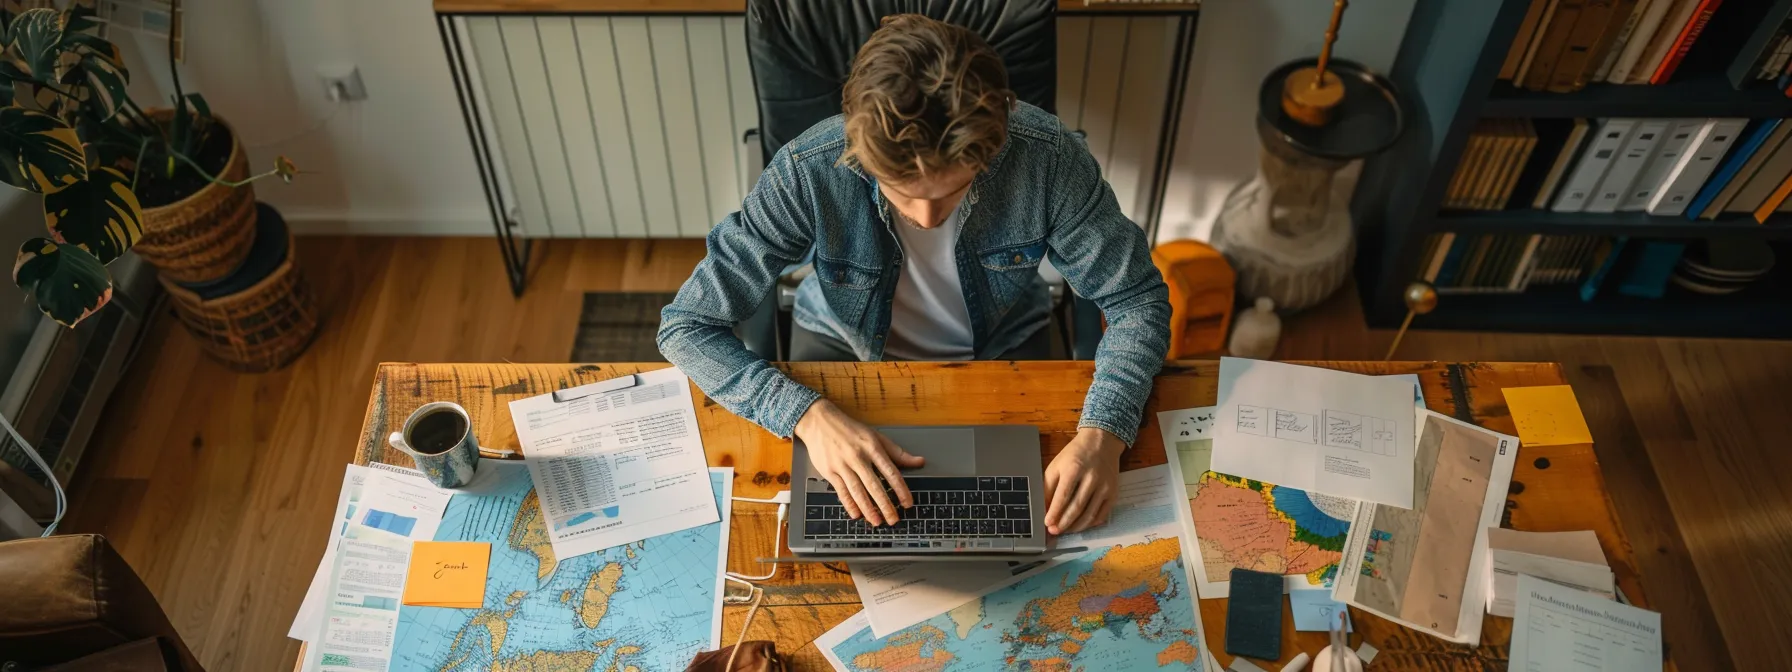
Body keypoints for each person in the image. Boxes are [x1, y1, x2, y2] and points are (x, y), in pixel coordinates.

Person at [658, 14, 1169, 536]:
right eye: (902, 193)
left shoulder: (1050, 160)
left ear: (993, 145)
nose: (927, 218)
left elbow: (1138, 303)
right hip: (844, 348)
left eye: (951, 191)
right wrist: (806, 415)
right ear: (858, 149)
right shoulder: (806, 170)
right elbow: (685, 327)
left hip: (1006, 344)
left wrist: (1105, 433)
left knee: (1026, 534)